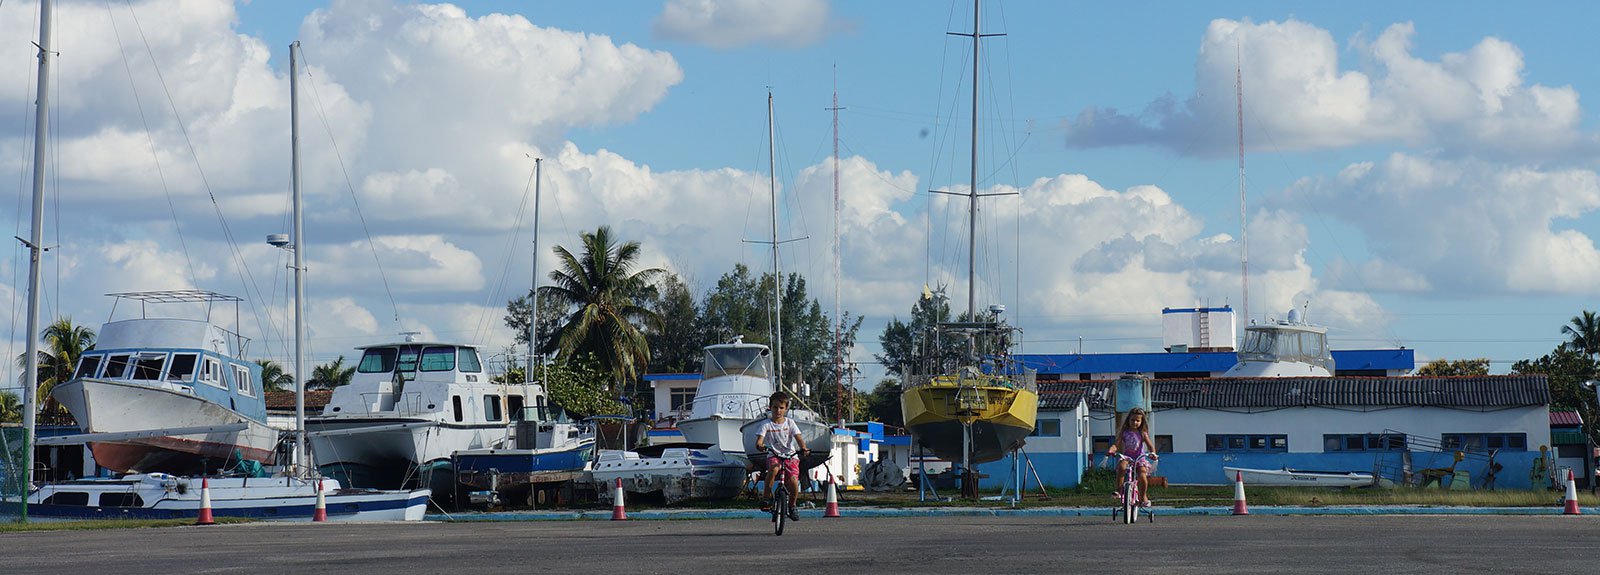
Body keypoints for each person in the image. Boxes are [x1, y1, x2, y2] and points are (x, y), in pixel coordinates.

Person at [754, 391, 810, 521]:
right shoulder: (766, 424)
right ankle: (767, 497)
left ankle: (792, 505)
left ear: (786, 409)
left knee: (794, 481)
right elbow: (759, 441)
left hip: (790, 456)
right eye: (775, 407)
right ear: (770, 407)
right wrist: (760, 445)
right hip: (774, 455)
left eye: (781, 408)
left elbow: (799, 438)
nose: (778, 411)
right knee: (773, 469)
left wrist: (803, 448)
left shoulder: (790, 423)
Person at [1106, 407, 1157, 507]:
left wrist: (1153, 454)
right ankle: (1119, 490)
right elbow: (1116, 444)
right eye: (1132, 420)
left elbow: (1150, 446)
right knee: (1121, 467)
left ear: (1141, 422)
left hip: (1139, 458)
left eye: (1137, 420)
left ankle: (1143, 496)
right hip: (1127, 458)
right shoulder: (1124, 432)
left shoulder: (1142, 433)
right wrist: (1111, 450)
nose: (1135, 422)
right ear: (1128, 420)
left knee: (1142, 475)